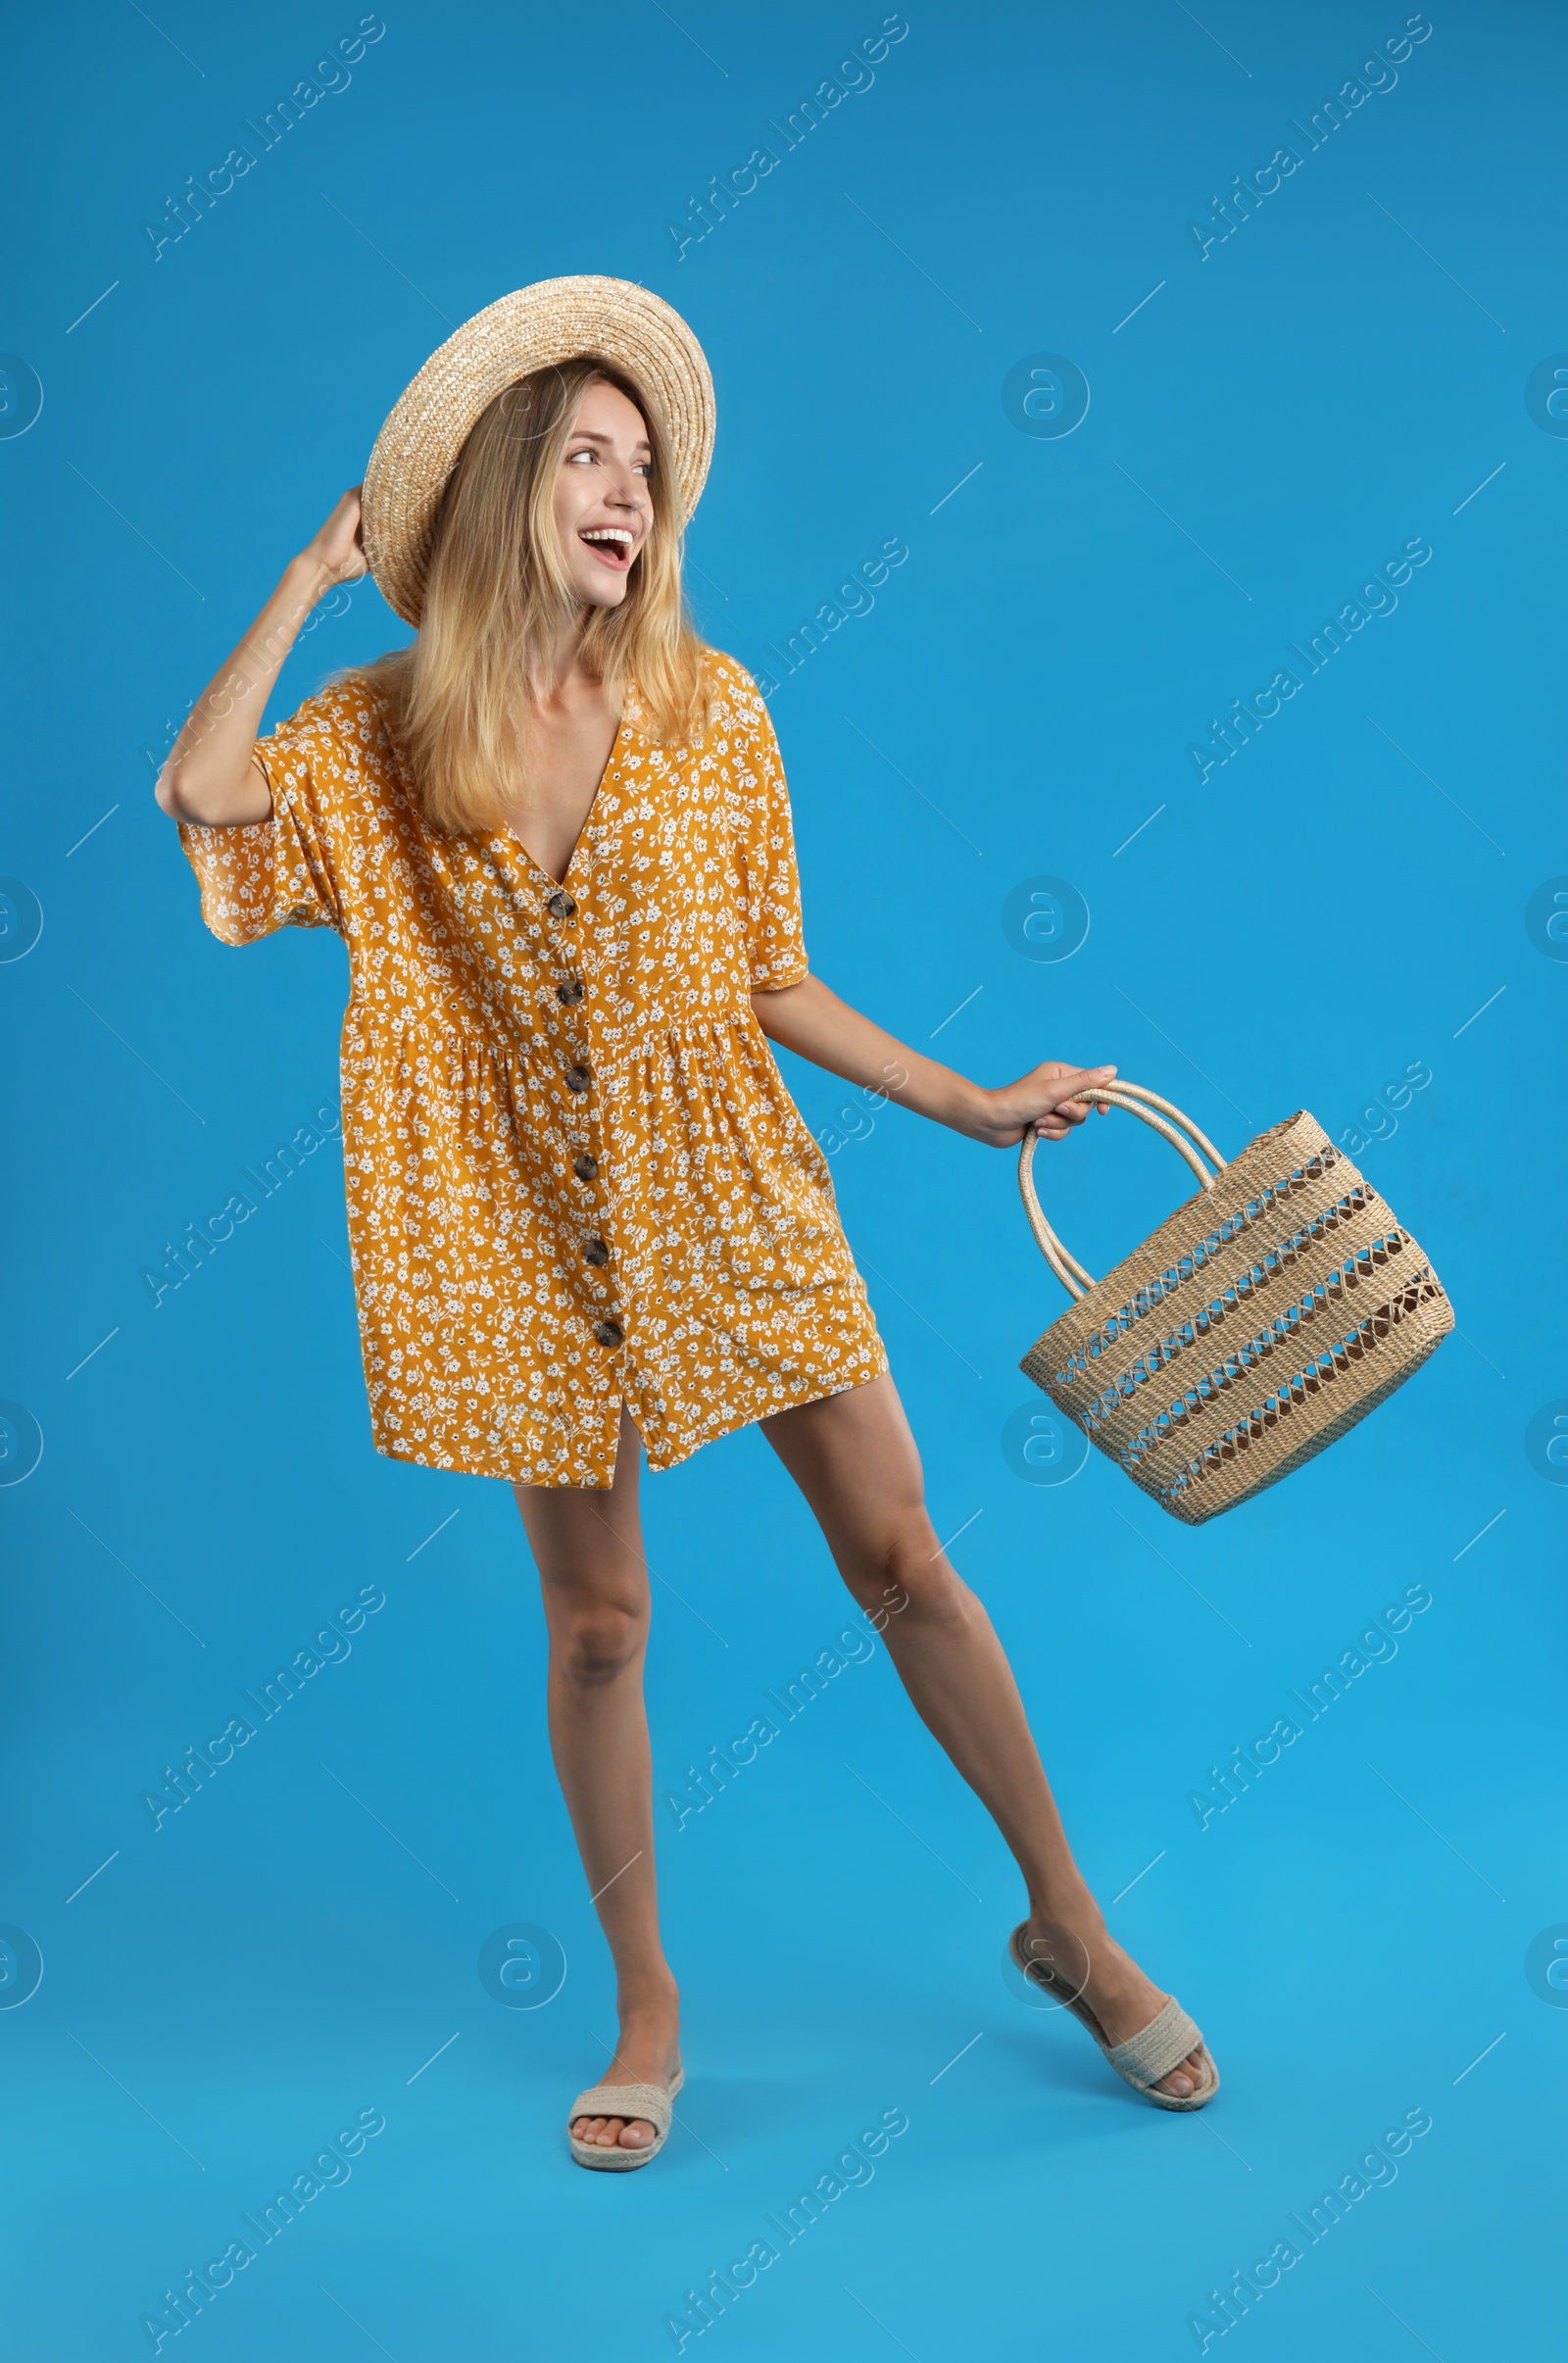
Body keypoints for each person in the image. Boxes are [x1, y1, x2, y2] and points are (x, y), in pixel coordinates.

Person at [154, 277, 1217, 2169]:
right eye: (584, 453)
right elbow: (201, 792)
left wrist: (968, 1102)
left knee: (908, 1561)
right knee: (600, 1628)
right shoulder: (389, 733)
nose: (627, 489)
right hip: (513, 1230)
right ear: (503, 492)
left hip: (728, 1187)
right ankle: (649, 2005)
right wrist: (319, 574)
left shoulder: (713, 711)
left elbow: (773, 980)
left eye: (643, 465)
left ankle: (1073, 1923)